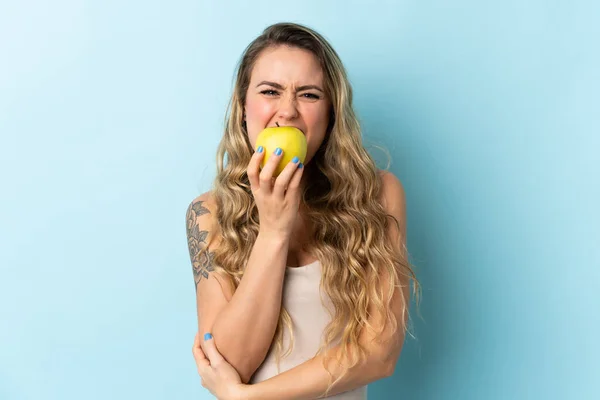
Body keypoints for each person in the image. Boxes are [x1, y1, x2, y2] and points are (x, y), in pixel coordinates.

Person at [186, 22, 420, 400]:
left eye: (309, 95)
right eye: (270, 91)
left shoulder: (378, 196)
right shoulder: (208, 213)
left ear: (330, 115)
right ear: (242, 107)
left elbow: (379, 353)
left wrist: (247, 397)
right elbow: (228, 362)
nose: (288, 111)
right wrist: (273, 231)